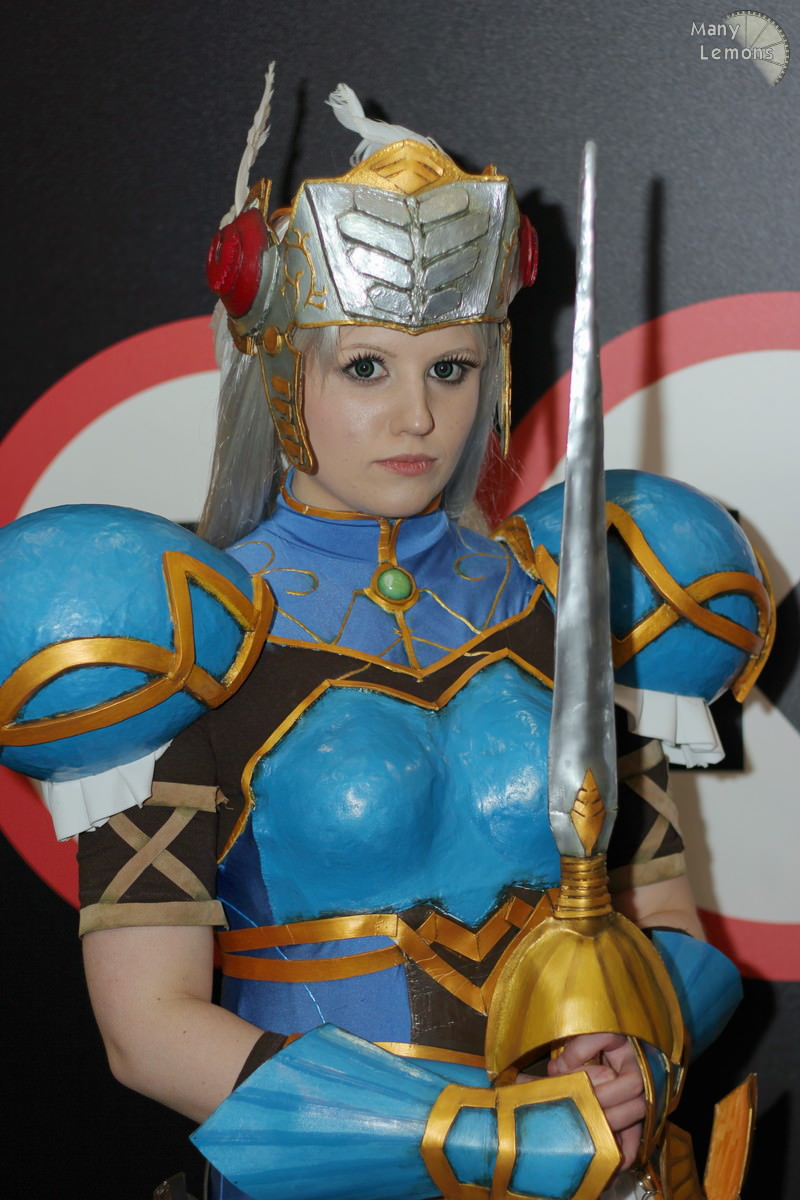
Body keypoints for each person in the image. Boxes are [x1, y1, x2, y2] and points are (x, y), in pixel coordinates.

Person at [74, 82, 766, 1200]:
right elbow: (147, 1028)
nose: (418, 418)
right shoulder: (170, 628)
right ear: (281, 375)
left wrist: (641, 1045)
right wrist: (470, 1136)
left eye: (450, 367)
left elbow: (667, 924)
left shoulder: (580, 590)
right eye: (366, 368)